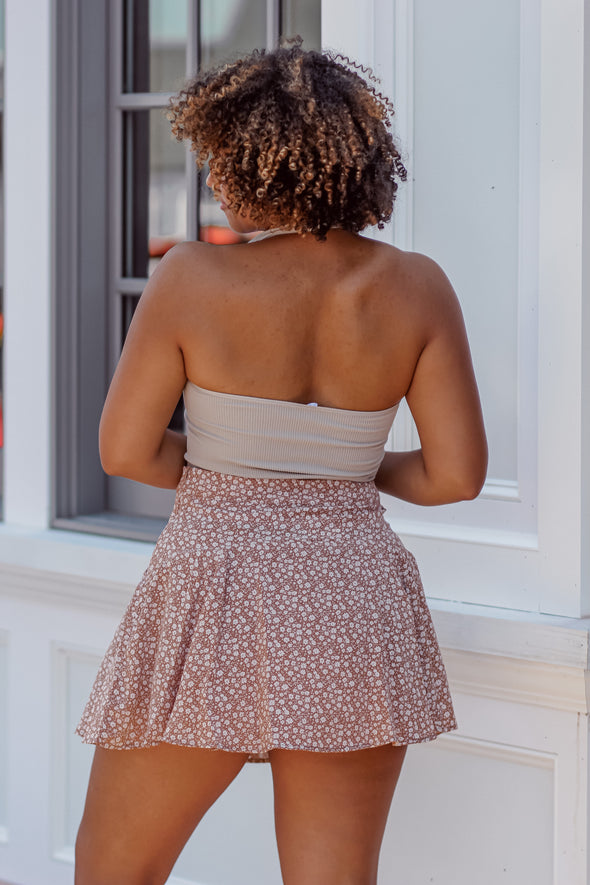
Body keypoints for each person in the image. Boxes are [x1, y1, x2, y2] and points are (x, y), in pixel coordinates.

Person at [74, 40, 487, 885]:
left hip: (214, 589)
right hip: (352, 593)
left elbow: (126, 449)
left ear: (253, 158)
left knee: (114, 872)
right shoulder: (419, 288)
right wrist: (338, 469)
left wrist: (240, 466)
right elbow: (454, 477)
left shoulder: (191, 277)